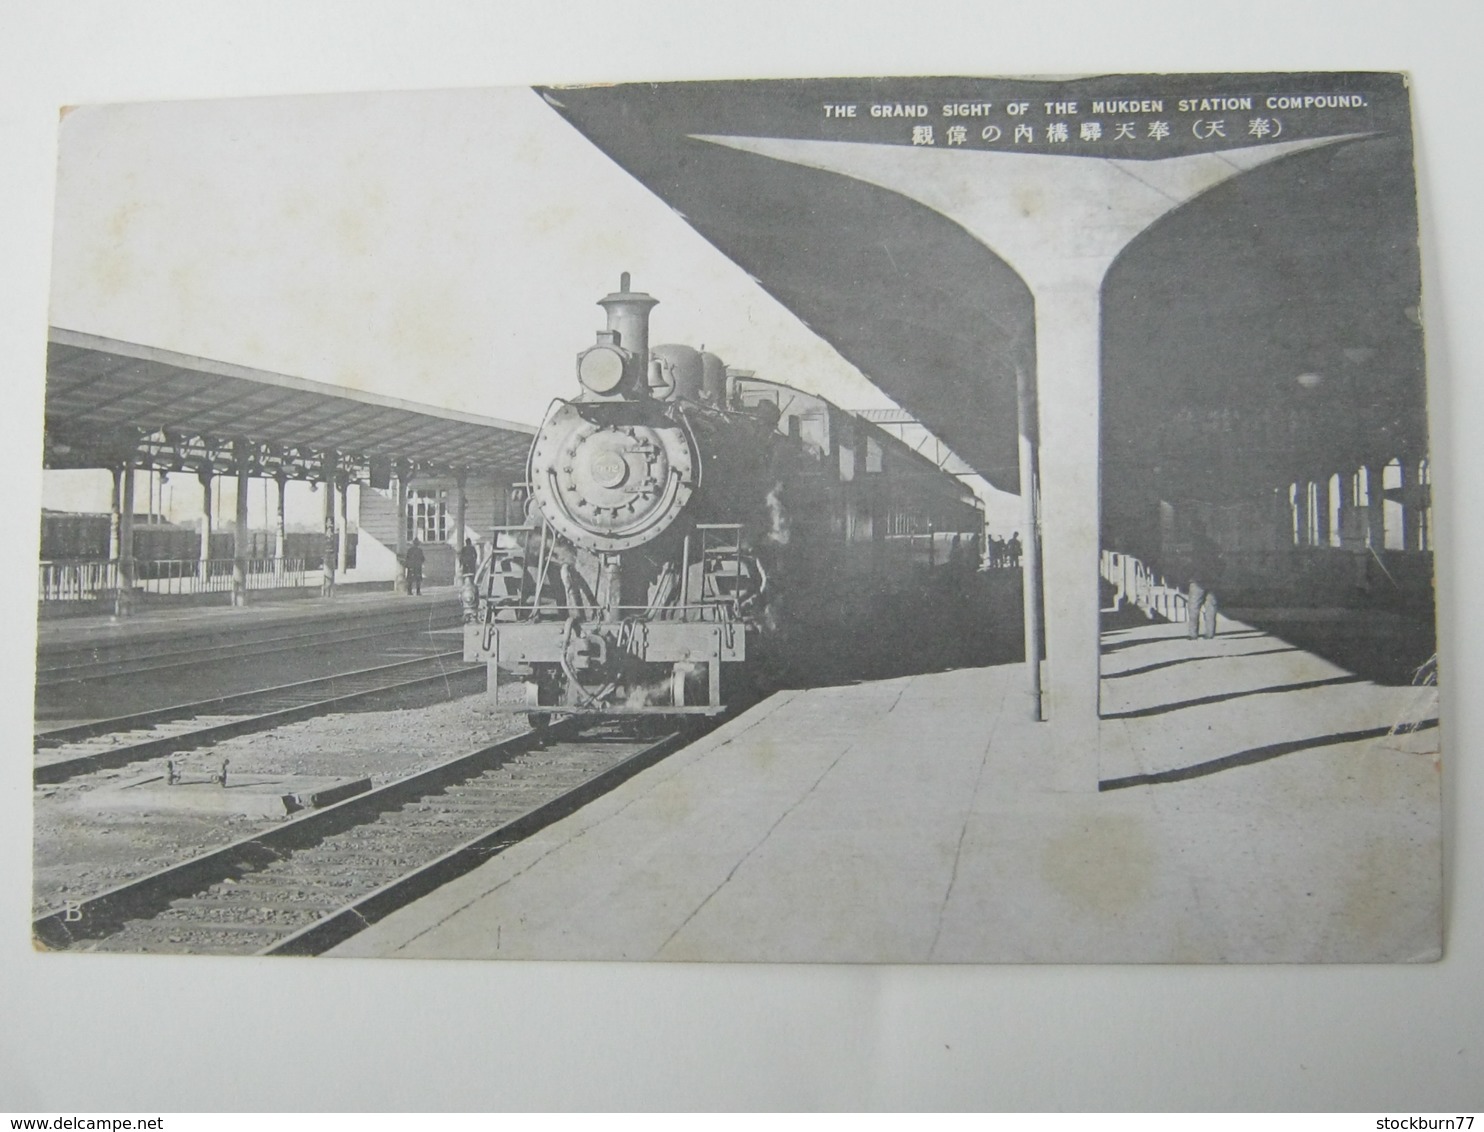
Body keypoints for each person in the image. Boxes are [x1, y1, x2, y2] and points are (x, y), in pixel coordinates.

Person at [1186, 522, 1222, 639]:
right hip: (1212, 579)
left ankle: (1193, 634)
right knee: (1211, 607)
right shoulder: (1213, 544)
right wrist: (1217, 574)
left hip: (1197, 580)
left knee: (1193, 607)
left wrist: (1188, 575)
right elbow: (1221, 562)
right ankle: (1210, 633)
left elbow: (1189, 563)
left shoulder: (1193, 545)